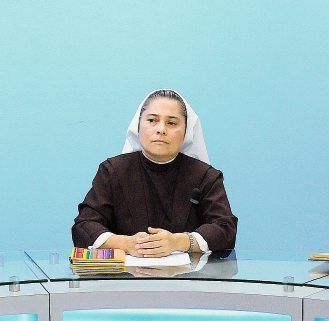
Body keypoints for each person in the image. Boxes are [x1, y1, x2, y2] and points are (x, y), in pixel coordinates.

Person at [72, 89, 237, 256]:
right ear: (138, 126)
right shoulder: (113, 171)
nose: (161, 129)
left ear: (186, 132)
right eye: (152, 120)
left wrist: (178, 242)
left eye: (171, 123)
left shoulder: (205, 176)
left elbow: (225, 229)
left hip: (191, 272)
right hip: (126, 272)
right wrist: (126, 243)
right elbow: (84, 226)